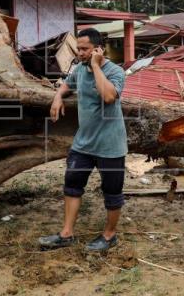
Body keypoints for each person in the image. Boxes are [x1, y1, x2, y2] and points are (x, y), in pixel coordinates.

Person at [38, 28, 127, 252]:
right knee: (72, 186)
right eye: (78, 48)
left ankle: (109, 235)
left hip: (111, 146)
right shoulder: (78, 70)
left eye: (85, 49)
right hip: (83, 144)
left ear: (99, 49)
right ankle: (66, 234)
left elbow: (108, 96)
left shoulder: (116, 71)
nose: (80, 53)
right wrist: (57, 97)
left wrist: (96, 65)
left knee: (112, 193)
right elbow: (67, 85)